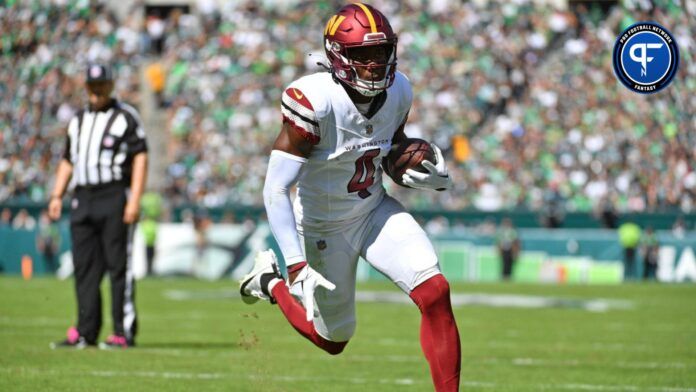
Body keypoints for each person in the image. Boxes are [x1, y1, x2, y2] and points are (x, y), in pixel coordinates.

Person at [239, 4, 461, 391]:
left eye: (380, 52)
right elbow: (275, 188)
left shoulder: (400, 90)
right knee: (332, 340)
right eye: (361, 54)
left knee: (435, 290)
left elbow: (391, 146)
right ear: (338, 55)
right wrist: (294, 266)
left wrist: (416, 171)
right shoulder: (314, 100)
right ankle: (269, 281)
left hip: (373, 209)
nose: (374, 63)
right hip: (325, 226)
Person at [48, 63, 148, 349]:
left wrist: (135, 198)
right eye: (93, 85)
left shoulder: (126, 117)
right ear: (86, 87)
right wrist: (57, 195)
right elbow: (68, 160)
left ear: (110, 85)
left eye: (102, 84)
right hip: (83, 197)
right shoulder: (77, 121)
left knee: (119, 267)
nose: (97, 90)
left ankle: (122, 331)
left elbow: (140, 156)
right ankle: (85, 330)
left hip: (114, 194)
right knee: (84, 268)